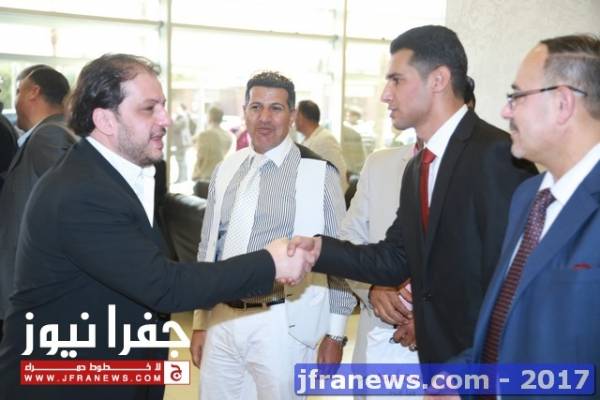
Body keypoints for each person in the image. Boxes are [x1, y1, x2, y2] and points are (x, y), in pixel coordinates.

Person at [0, 54, 311, 400]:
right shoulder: (81, 191)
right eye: (149, 109)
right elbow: (165, 285)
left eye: (163, 106)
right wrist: (269, 262)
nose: (166, 119)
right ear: (105, 120)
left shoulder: (109, 176)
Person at [287, 25, 538, 364]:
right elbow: (394, 259)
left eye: (397, 80)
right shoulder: (418, 167)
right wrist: (317, 249)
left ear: (438, 80)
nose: (385, 95)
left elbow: (510, 281)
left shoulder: (498, 155)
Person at [434, 34, 600, 400]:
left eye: (517, 96)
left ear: (563, 103)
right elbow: (510, 323)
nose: (505, 112)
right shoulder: (529, 196)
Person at [189, 72, 355, 400]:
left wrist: (336, 334)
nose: (264, 117)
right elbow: (208, 247)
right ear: (244, 112)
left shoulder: (318, 174)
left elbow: (338, 256)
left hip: (282, 323)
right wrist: (200, 321)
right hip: (221, 317)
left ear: (292, 115)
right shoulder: (226, 169)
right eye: (256, 107)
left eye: (276, 108)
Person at [0, 65, 76, 341]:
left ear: (34, 92)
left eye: (18, 91)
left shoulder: (49, 135)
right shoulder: (51, 132)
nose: (15, 101)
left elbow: (73, 205)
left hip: (33, 291)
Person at [341, 144, 420, 400]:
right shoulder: (379, 164)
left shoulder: (479, 165)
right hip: (377, 334)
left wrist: (431, 318)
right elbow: (349, 239)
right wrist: (374, 288)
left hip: (448, 349)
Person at [295, 99, 348, 192]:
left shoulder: (325, 139)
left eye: (295, 114)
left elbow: (338, 175)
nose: (292, 119)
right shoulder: (307, 139)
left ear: (302, 117)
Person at [191, 105, 235, 181]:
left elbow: (200, 158)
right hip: (221, 176)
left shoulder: (205, 135)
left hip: (206, 177)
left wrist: (195, 175)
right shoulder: (228, 136)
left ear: (209, 117)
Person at [170, 103, 193, 183]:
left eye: (178, 108)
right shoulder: (183, 117)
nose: (177, 110)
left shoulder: (183, 117)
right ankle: (183, 177)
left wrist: (171, 120)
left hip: (182, 143)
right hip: (182, 142)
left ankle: (182, 178)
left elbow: (176, 127)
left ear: (182, 109)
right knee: (181, 160)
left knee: (180, 160)